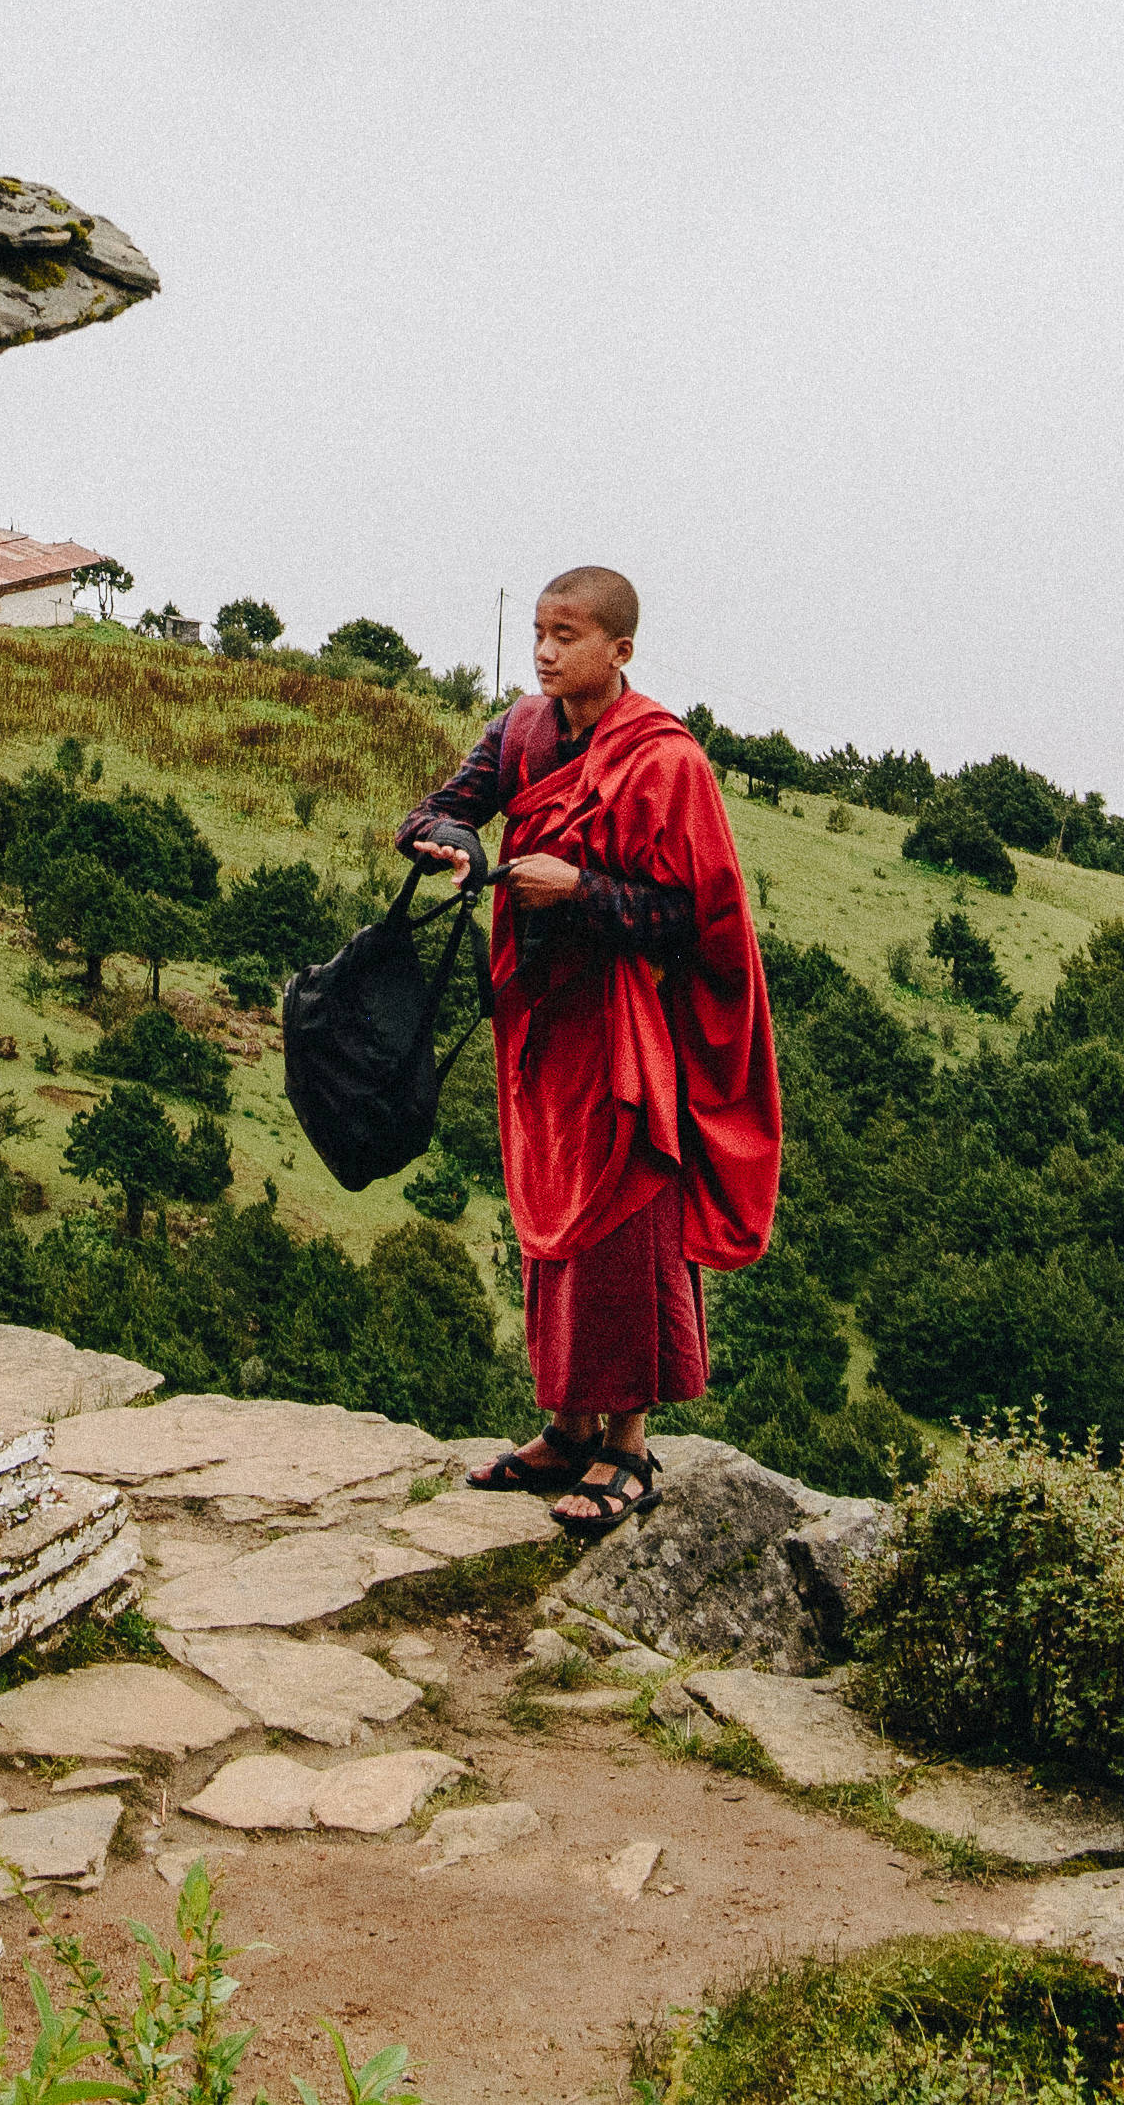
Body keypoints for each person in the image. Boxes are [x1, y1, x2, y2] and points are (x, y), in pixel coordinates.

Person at [401, 566, 782, 1540]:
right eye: (539, 630)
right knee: (550, 1227)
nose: (544, 650)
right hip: (543, 1026)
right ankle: (567, 1427)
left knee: (626, 1232)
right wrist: (448, 843)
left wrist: (578, 889)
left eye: (567, 634)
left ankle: (628, 1447)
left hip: (629, 1031)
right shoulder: (522, 732)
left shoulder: (665, 761)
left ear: (619, 650)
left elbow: (691, 917)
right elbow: (440, 809)